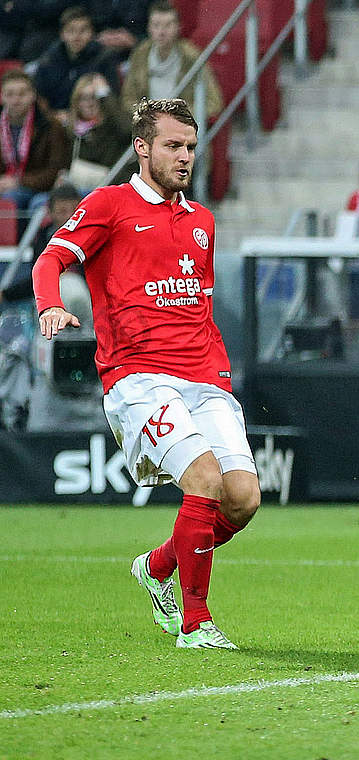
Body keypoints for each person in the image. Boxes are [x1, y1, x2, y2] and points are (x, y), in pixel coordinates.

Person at [32, 97, 261, 650]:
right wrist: (48, 306)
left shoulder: (202, 220)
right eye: (172, 146)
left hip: (204, 377)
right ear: (142, 147)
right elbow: (49, 260)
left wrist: (220, 373)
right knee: (203, 479)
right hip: (138, 378)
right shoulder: (109, 205)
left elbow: (199, 303)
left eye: (190, 147)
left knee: (243, 498)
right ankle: (196, 622)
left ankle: (158, 566)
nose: (185, 157)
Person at [123, 2, 224, 120]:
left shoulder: (192, 56)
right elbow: (127, 99)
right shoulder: (139, 55)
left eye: (168, 25)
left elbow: (214, 102)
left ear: (178, 27)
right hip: (149, 124)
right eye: (156, 25)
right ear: (149, 27)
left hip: (181, 126)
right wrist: (148, 114)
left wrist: (180, 115)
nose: (161, 32)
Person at [0, 70, 72, 221]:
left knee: (12, 198)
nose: (16, 100)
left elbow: (55, 170)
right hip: (6, 185)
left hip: (41, 188)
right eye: (10, 94)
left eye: (21, 94)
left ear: (32, 95)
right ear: (2, 96)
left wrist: (19, 181)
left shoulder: (50, 126)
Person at [0, 184, 82, 309]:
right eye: (62, 211)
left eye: (74, 211)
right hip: (53, 300)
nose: (69, 217)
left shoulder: (92, 236)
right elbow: (37, 279)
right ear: (50, 212)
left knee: (71, 288)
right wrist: (6, 294)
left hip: (87, 297)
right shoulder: (43, 239)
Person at [30, 6, 123, 117]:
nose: (77, 36)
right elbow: (40, 98)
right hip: (57, 121)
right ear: (62, 34)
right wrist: (53, 116)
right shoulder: (49, 60)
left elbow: (112, 98)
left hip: (95, 121)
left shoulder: (105, 58)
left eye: (83, 30)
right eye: (71, 30)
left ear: (92, 33)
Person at [64, 73, 135, 192]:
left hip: (109, 189)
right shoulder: (71, 129)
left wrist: (105, 94)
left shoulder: (114, 126)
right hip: (77, 189)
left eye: (94, 97)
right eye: (83, 98)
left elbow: (129, 130)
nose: (89, 103)